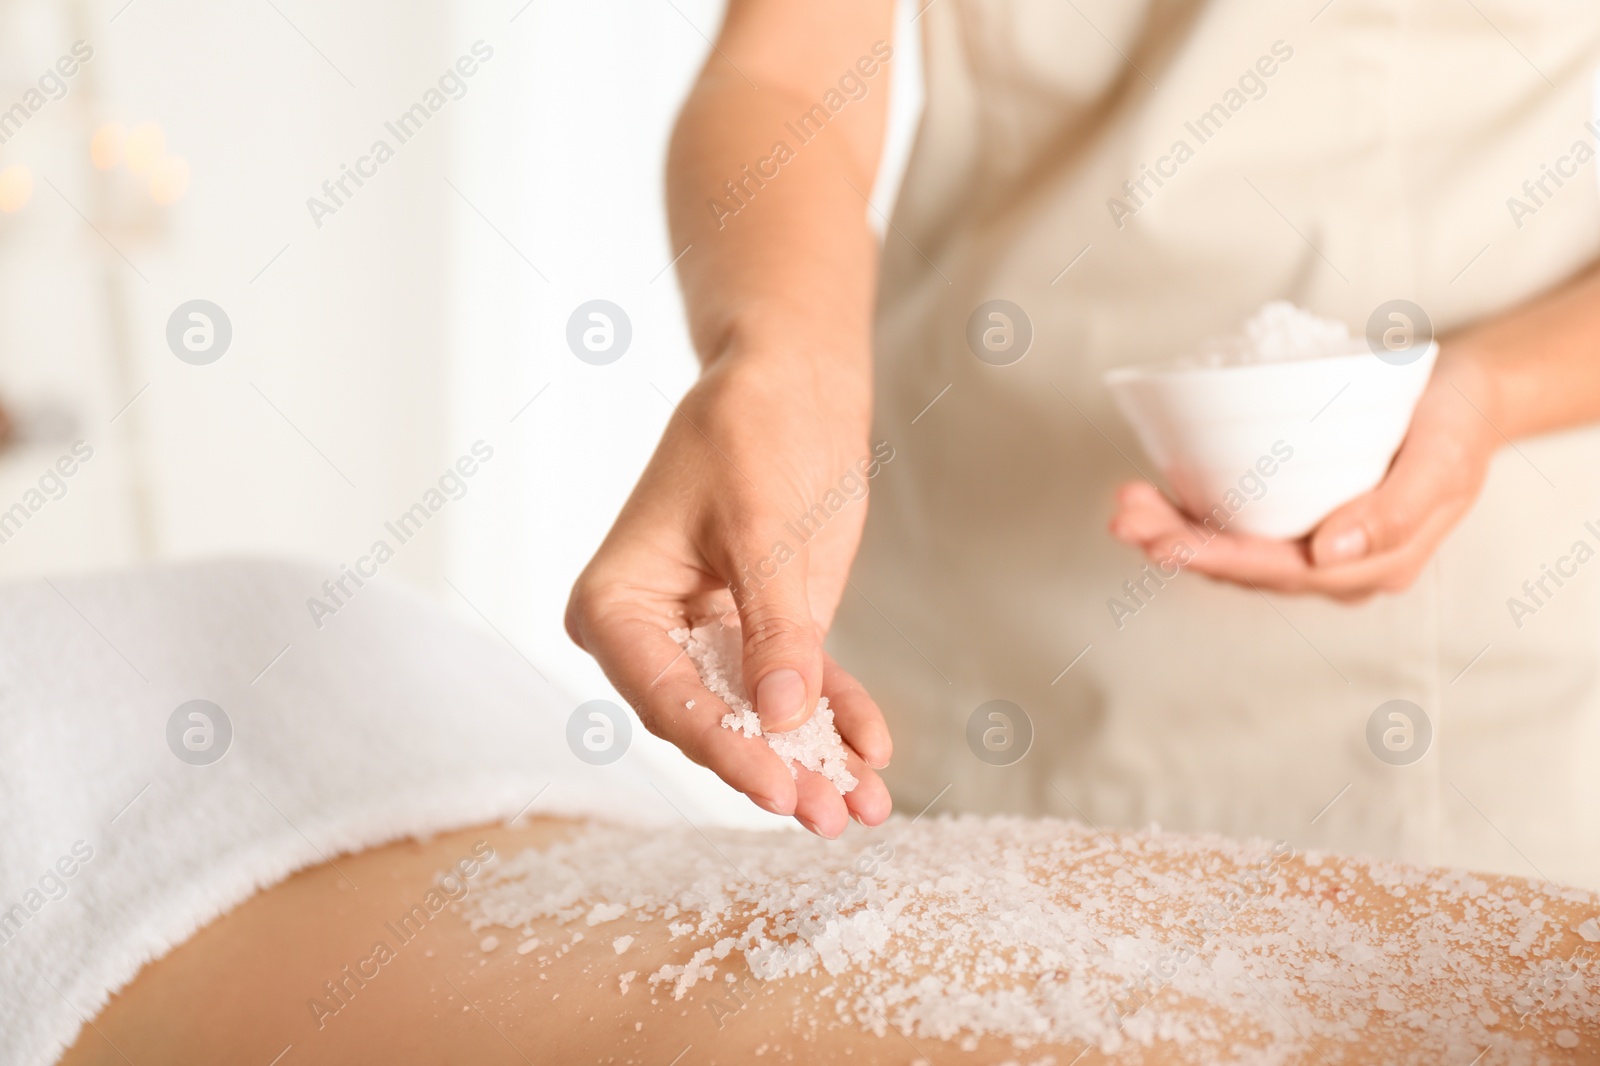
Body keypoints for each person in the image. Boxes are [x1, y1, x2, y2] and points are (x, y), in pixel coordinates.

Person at [566, 0, 1600, 887]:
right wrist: (780, 362)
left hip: (1483, 681)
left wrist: (1493, 391)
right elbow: (783, 71)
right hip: (989, 644)